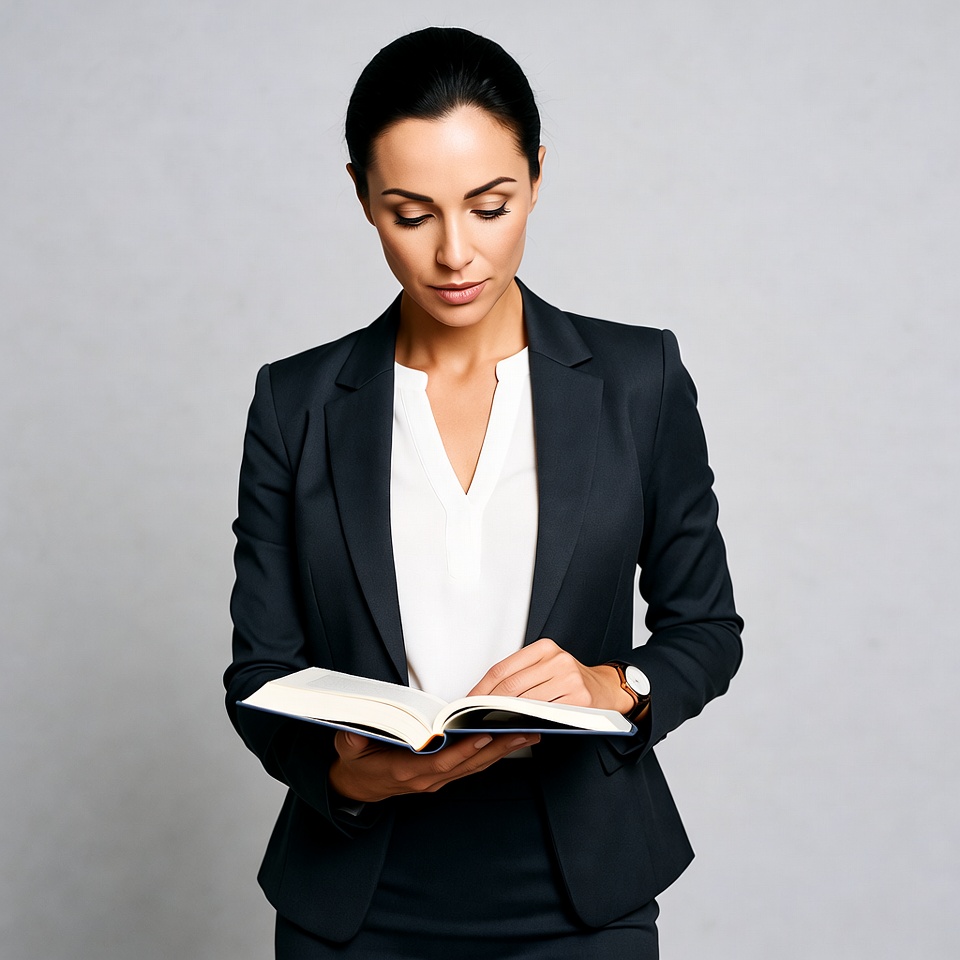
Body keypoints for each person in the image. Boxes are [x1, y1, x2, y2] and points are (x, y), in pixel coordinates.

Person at [225, 25, 742, 960]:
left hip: (582, 899)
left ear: (537, 176)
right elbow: (259, 672)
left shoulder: (639, 378)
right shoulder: (295, 402)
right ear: (361, 199)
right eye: (411, 213)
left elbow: (706, 627)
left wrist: (614, 686)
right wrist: (345, 781)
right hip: (354, 903)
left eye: (490, 204)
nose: (456, 253)